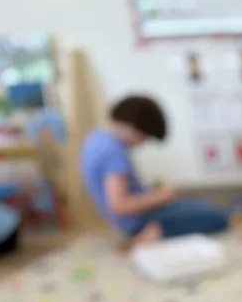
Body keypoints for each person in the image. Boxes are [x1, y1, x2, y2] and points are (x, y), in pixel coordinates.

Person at [80, 95, 231, 247]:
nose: (142, 143)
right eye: (144, 137)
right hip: (138, 220)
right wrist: (160, 196)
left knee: (198, 207)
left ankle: (155, 230)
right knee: (217, 219)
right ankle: (154, 233)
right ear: (132, 127)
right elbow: (119, 205)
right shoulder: (113, 153)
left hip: (131, 218)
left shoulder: (96, 139)